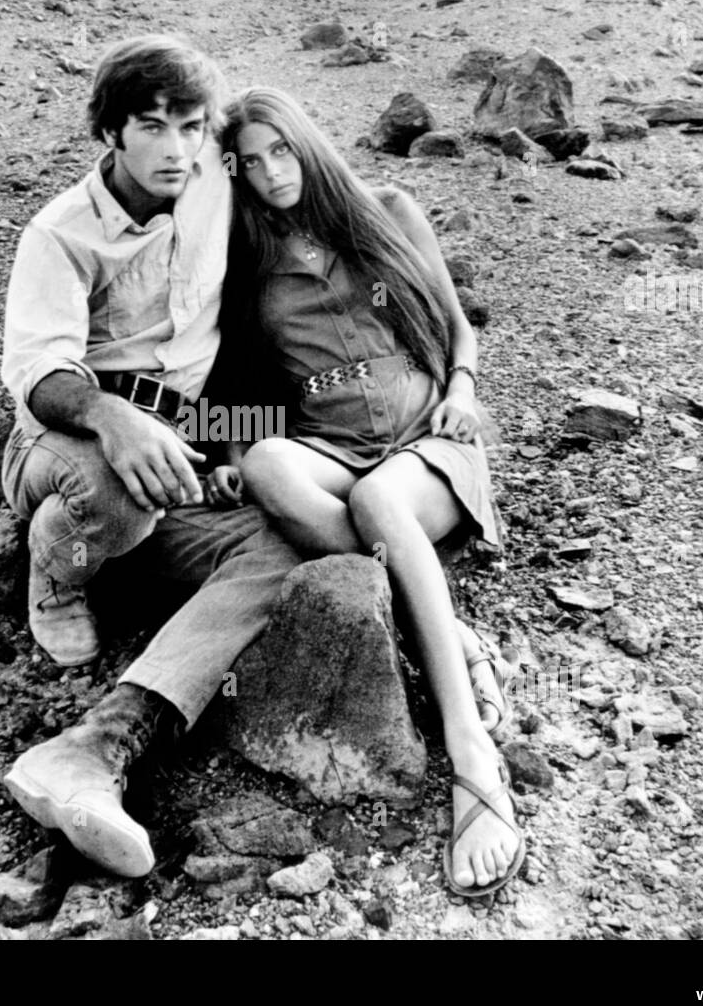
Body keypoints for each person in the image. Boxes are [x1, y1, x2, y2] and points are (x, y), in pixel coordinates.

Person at [0, 37, 302, 879]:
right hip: (67, 439)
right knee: (113, 490)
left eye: (191, 127)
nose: (175, 148)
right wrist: (110, 414)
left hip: (190, 436)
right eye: (151, 126)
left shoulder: (213, 176)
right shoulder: (59, 233)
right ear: (110, 130)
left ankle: (94, 748)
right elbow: (37, 372)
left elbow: (293, 169)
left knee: (290, 536)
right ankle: (56, 569)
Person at [213, 86, 525, 897]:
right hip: (337, 447)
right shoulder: (250, 263)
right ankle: (450, 627)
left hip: (429, 440)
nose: (270, 173)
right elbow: (248, 388)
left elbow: (460, 325)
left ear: (306, 144)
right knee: (269, 467)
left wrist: (460, 387)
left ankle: (470, 754)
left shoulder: (386, 209)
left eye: (280, 150)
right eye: (249, 162)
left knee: (382, 503)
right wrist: (227, 449)